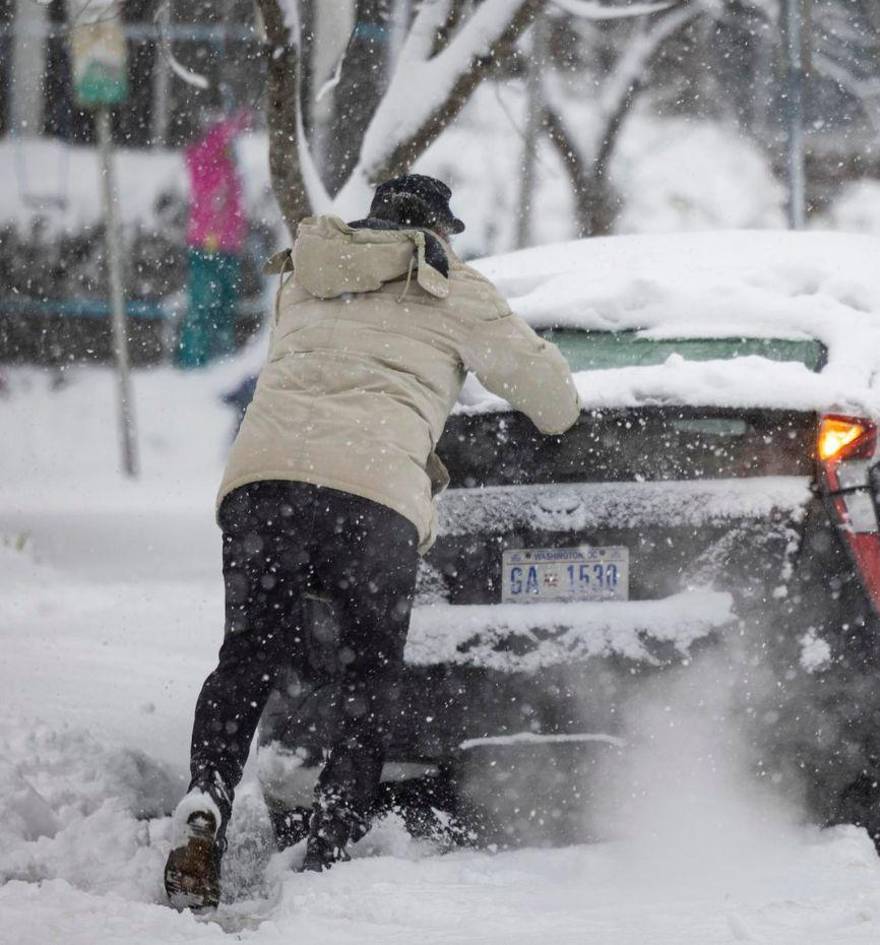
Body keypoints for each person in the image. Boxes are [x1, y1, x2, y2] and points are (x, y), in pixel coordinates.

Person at [163, 175, 581, 910]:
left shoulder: (307, 275)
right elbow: (554, 404)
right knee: (368, 674)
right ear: (438, 233)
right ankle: (329, 839)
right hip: (372, 498)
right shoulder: (455, 288)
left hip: (264, 488)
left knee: (248, 656)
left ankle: (206, 799)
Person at [176, 110, 248, 369]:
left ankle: (219, 361)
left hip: (227, 245)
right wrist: (232, 124)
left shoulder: (224, 163)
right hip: (207, 244)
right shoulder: (201, 158)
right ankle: (195, 361)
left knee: (224, 306)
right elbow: (217, 140)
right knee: (203, 305)